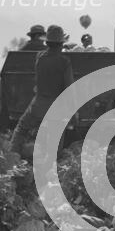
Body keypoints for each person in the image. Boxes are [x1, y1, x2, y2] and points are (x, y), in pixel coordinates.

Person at [11, 25, 74, 159]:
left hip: (38, 105)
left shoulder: (40, 57)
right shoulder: (64, 62)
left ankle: (13, 157)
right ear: (62, 43)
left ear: (46, 42)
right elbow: (69, 89)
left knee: (21, 130)